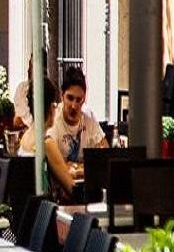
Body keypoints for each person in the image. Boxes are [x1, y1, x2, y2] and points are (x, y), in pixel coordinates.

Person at [44, 65, 107, 194]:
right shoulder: (53, 120)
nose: (74, 105)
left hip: (89, 191)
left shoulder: (88, 117)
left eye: (79, 100)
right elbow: (60, 170)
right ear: (62, 95)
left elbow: (105, 157)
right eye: (70, 98)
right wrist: (87, 169)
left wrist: (77, 170)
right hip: (63, 194)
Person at [18, 76, 60, 156]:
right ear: (51, 108)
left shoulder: (25, 137)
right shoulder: (47, 143)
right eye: (55, 105)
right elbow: (64, 169)